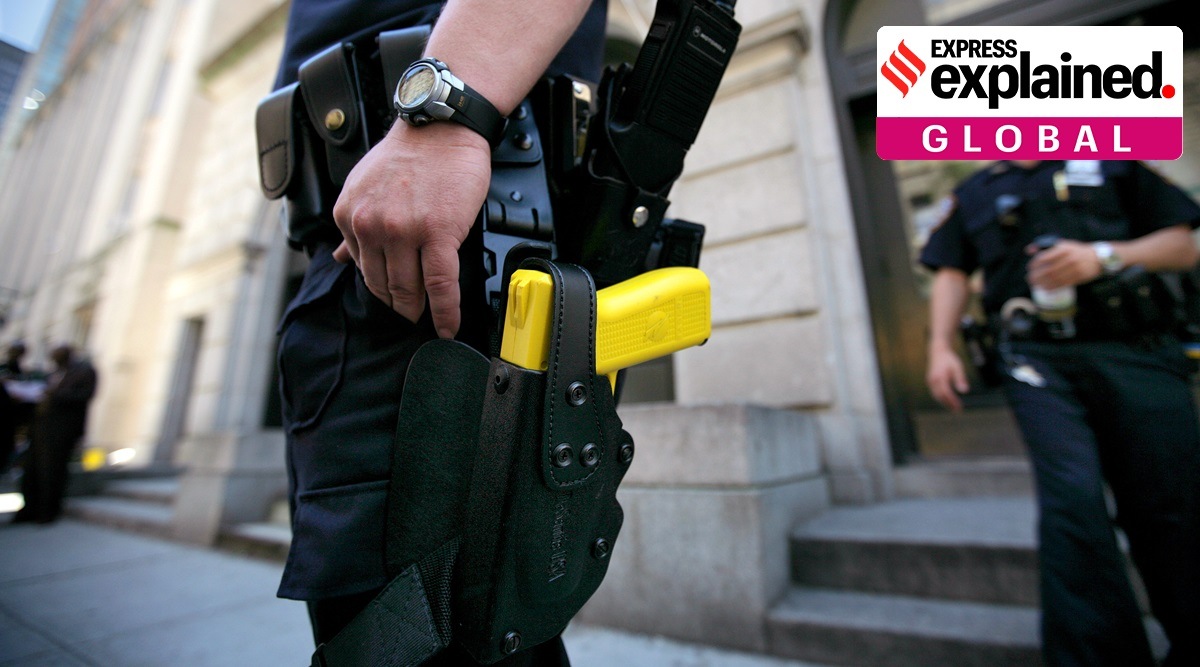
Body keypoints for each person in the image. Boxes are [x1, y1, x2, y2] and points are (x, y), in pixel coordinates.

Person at [271, 1, 607, 662]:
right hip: (370, 231)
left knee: (418, 633)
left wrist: (444, 110)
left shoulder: (439, 128)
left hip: (448, 219)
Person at [920, 159, 1200, 666]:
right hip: (1036, 360)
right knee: (1071, 499)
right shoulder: (976, 190)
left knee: (1169, 500)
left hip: (1136, 348)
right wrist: (939, 346)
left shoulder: (1113, 159)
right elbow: (951, 270)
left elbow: (1182, 245)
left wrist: (1102, 256)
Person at [12, 344, 98, 524]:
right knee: (31, 470)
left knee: (52, 471)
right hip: (39, 428)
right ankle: (29, 510)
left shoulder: (83, 371)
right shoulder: (52, 374)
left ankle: (48, 511)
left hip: (61, 431)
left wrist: (55, 394)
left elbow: (85, 395)